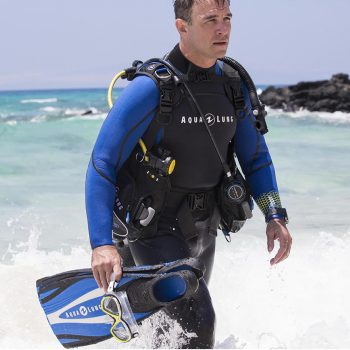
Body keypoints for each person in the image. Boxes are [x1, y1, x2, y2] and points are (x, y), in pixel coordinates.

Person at [85, 0, 293, 348]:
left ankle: (143, 313)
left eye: (227, 19)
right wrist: (101, 244)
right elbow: (101, 164)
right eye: (210, 19)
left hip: (205, 225)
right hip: (155, 226)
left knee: (173, 333)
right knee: (198, 319)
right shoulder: (152, 88)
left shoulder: (232, 85)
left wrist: (274, 214)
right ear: (182, 26)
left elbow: (255, 157)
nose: (222, 29)